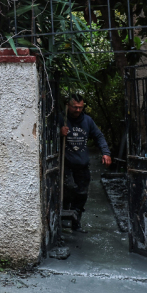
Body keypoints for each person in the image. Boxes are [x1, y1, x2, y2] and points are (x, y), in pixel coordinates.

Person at [60, 94, 111, 230]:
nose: (77, 110)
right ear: (68, 106)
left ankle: (76, 223)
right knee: (69, 188)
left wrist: (106, 152)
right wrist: (58, 132)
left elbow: (98, 136)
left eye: (80, 108)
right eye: (74, 107)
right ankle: (63, 216)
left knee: (82, 194)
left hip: (82, 165)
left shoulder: (87, 121)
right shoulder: (62, 119)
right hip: (66, 164)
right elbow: (46, 134)